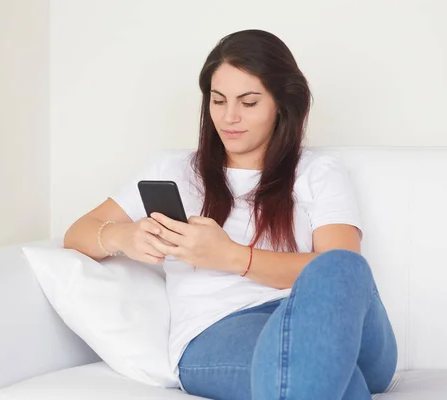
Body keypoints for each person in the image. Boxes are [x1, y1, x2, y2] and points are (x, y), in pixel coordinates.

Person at [64, 29, 397, 400]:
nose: (229, 117)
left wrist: (232, 257)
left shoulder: (318, 172)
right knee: (337, 383)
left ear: (281, 105)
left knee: (344, 267)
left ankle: (322, 365)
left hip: (322, 318)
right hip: (218, 330)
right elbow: (77, 233)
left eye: (249, 102)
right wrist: (123, 237)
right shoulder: (172, 169)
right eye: (218, 101)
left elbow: (339, 271)